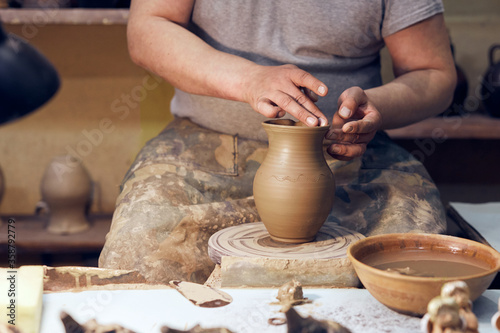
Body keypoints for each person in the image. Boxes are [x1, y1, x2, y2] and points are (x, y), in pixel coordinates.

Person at [99, 0, 456, 283]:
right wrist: (248, 79)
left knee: (419, 267)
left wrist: (376, 108)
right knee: (137, 257)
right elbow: (147, 31)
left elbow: (434, 72)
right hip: (202, 141)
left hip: (347, 148)